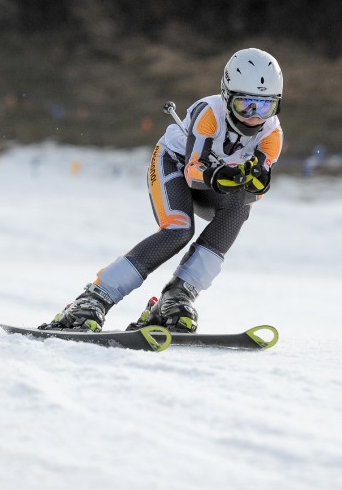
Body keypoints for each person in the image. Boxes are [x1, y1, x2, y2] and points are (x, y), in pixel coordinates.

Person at [39, 48, 284, 333]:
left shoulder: (272, 135)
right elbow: (193, 172)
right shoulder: (210, 114)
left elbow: (258, 188)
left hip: (211, 181)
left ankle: (178, 295)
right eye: (246, 106)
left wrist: (247, 178)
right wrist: (220, 174)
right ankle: (95, 297)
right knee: (178, 229)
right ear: (227, 97)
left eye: (265, 107)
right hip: (174, 164)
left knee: (240, 207)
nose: (255, 117)